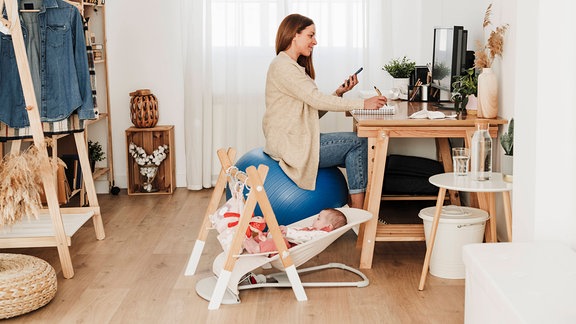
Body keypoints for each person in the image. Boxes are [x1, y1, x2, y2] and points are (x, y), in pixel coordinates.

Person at [262, 13, 388, 209]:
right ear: (294, 35)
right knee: (359, 143)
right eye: (310, 35)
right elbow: (316, 99)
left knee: (360, 149)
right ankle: (359, 212)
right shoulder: (283, 67)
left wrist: (339, 92)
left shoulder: (290, 66)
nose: (315, 42)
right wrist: (363, 104)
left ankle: (357, 209)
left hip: (296, 140)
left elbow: (313, 109)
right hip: (291, 146)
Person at [243, 208, 348, 254]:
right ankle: (252, 241)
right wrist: (285, 229)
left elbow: (303, 237)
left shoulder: (321, 234)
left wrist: (288, 232)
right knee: (267, 234)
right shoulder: (312, 229)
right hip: (281, 241)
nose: (314, 219)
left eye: (319, 218)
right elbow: (299, 231)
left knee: (280, 243)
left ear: (328, 226)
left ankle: (257, 248)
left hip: (286, 249)